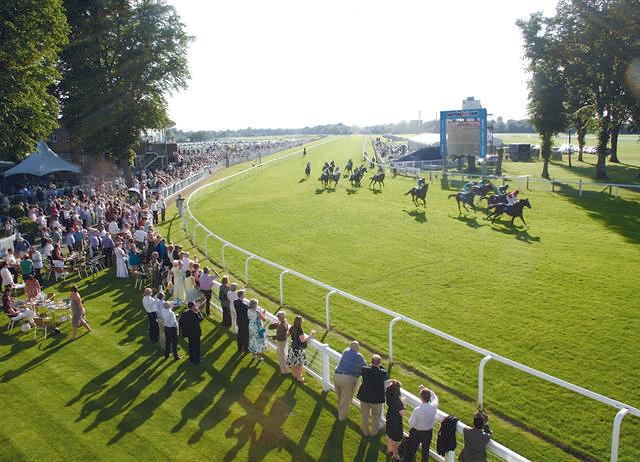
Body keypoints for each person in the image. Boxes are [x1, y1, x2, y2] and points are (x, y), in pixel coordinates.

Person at [334, 341, 367, 421]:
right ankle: (342, 418)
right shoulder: (358, 356)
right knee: (345, 400)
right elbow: (365, 367)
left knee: (340, 396)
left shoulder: (345, 351)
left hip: (336, 376)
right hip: (346, 379)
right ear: (358, 348)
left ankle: (340, 411)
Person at [405, 385, 439, 462]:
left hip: (416, 433)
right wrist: (426, 389)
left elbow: (411, 423)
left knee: (412, 450)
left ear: (420, 397)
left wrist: (424, 389)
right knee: (425, 452)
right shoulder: (434, 406)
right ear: (429, 397)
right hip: (428, 433)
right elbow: (435, 398)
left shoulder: (417, 410)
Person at [357, 354, 388, 436]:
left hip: (364, 397)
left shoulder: (365, 370)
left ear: (371, 362)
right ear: (379, 363)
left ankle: (365, 432)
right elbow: (384, 373)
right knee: (376, 417)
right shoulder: (383, 373)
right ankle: (374, 433)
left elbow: (365, 369)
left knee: (364, 416)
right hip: (376, 400)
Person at [286, 315, 315, 383]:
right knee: (300, 364)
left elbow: (287, 335)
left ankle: (295, 375)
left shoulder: (292, 327)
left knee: (294, 363)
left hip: (292, 348)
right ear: (300, 322)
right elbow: (303, 340)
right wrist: (311, 335)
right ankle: (299, 377)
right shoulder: (300, 329)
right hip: (299, 350)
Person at [386, 380, 405, 461]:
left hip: (390, 416)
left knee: (389, 434)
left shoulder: (388, 394)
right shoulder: (398, 401)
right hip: (396, 420)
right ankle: (395, 455)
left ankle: (389, 450)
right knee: (396, 438)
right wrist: (404, 404)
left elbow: (387, 384)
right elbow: (402, 413)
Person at [235, 289, 249, 353]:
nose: (244, 295)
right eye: (244, 294)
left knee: (240, 334)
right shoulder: (244, 306)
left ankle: (239, 348)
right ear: (241, 295)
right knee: (245, 335)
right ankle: (246, 348)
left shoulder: (235, 302)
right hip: (244, 322)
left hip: (239, 320)